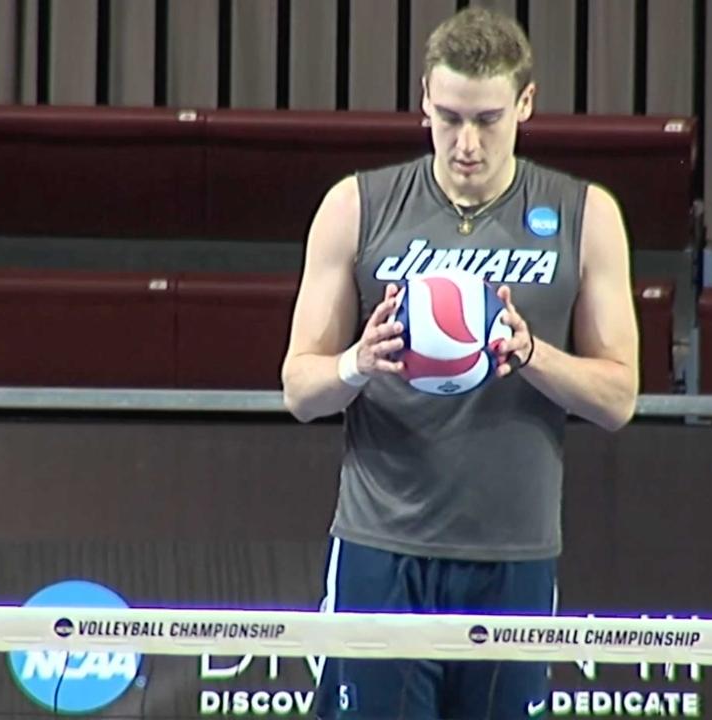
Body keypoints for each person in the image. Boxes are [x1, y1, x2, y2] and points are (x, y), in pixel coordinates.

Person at [280, 6, 639, 718]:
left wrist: (530, 353)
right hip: (382, 548)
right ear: (423, 99)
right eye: (448, 118)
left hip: (514, 554)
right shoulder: (357, 206)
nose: (466, 143)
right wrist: (358, 363)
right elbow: (300, 387)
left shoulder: (585, 214)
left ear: (525, 104)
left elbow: (617, 399)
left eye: (487, 120)